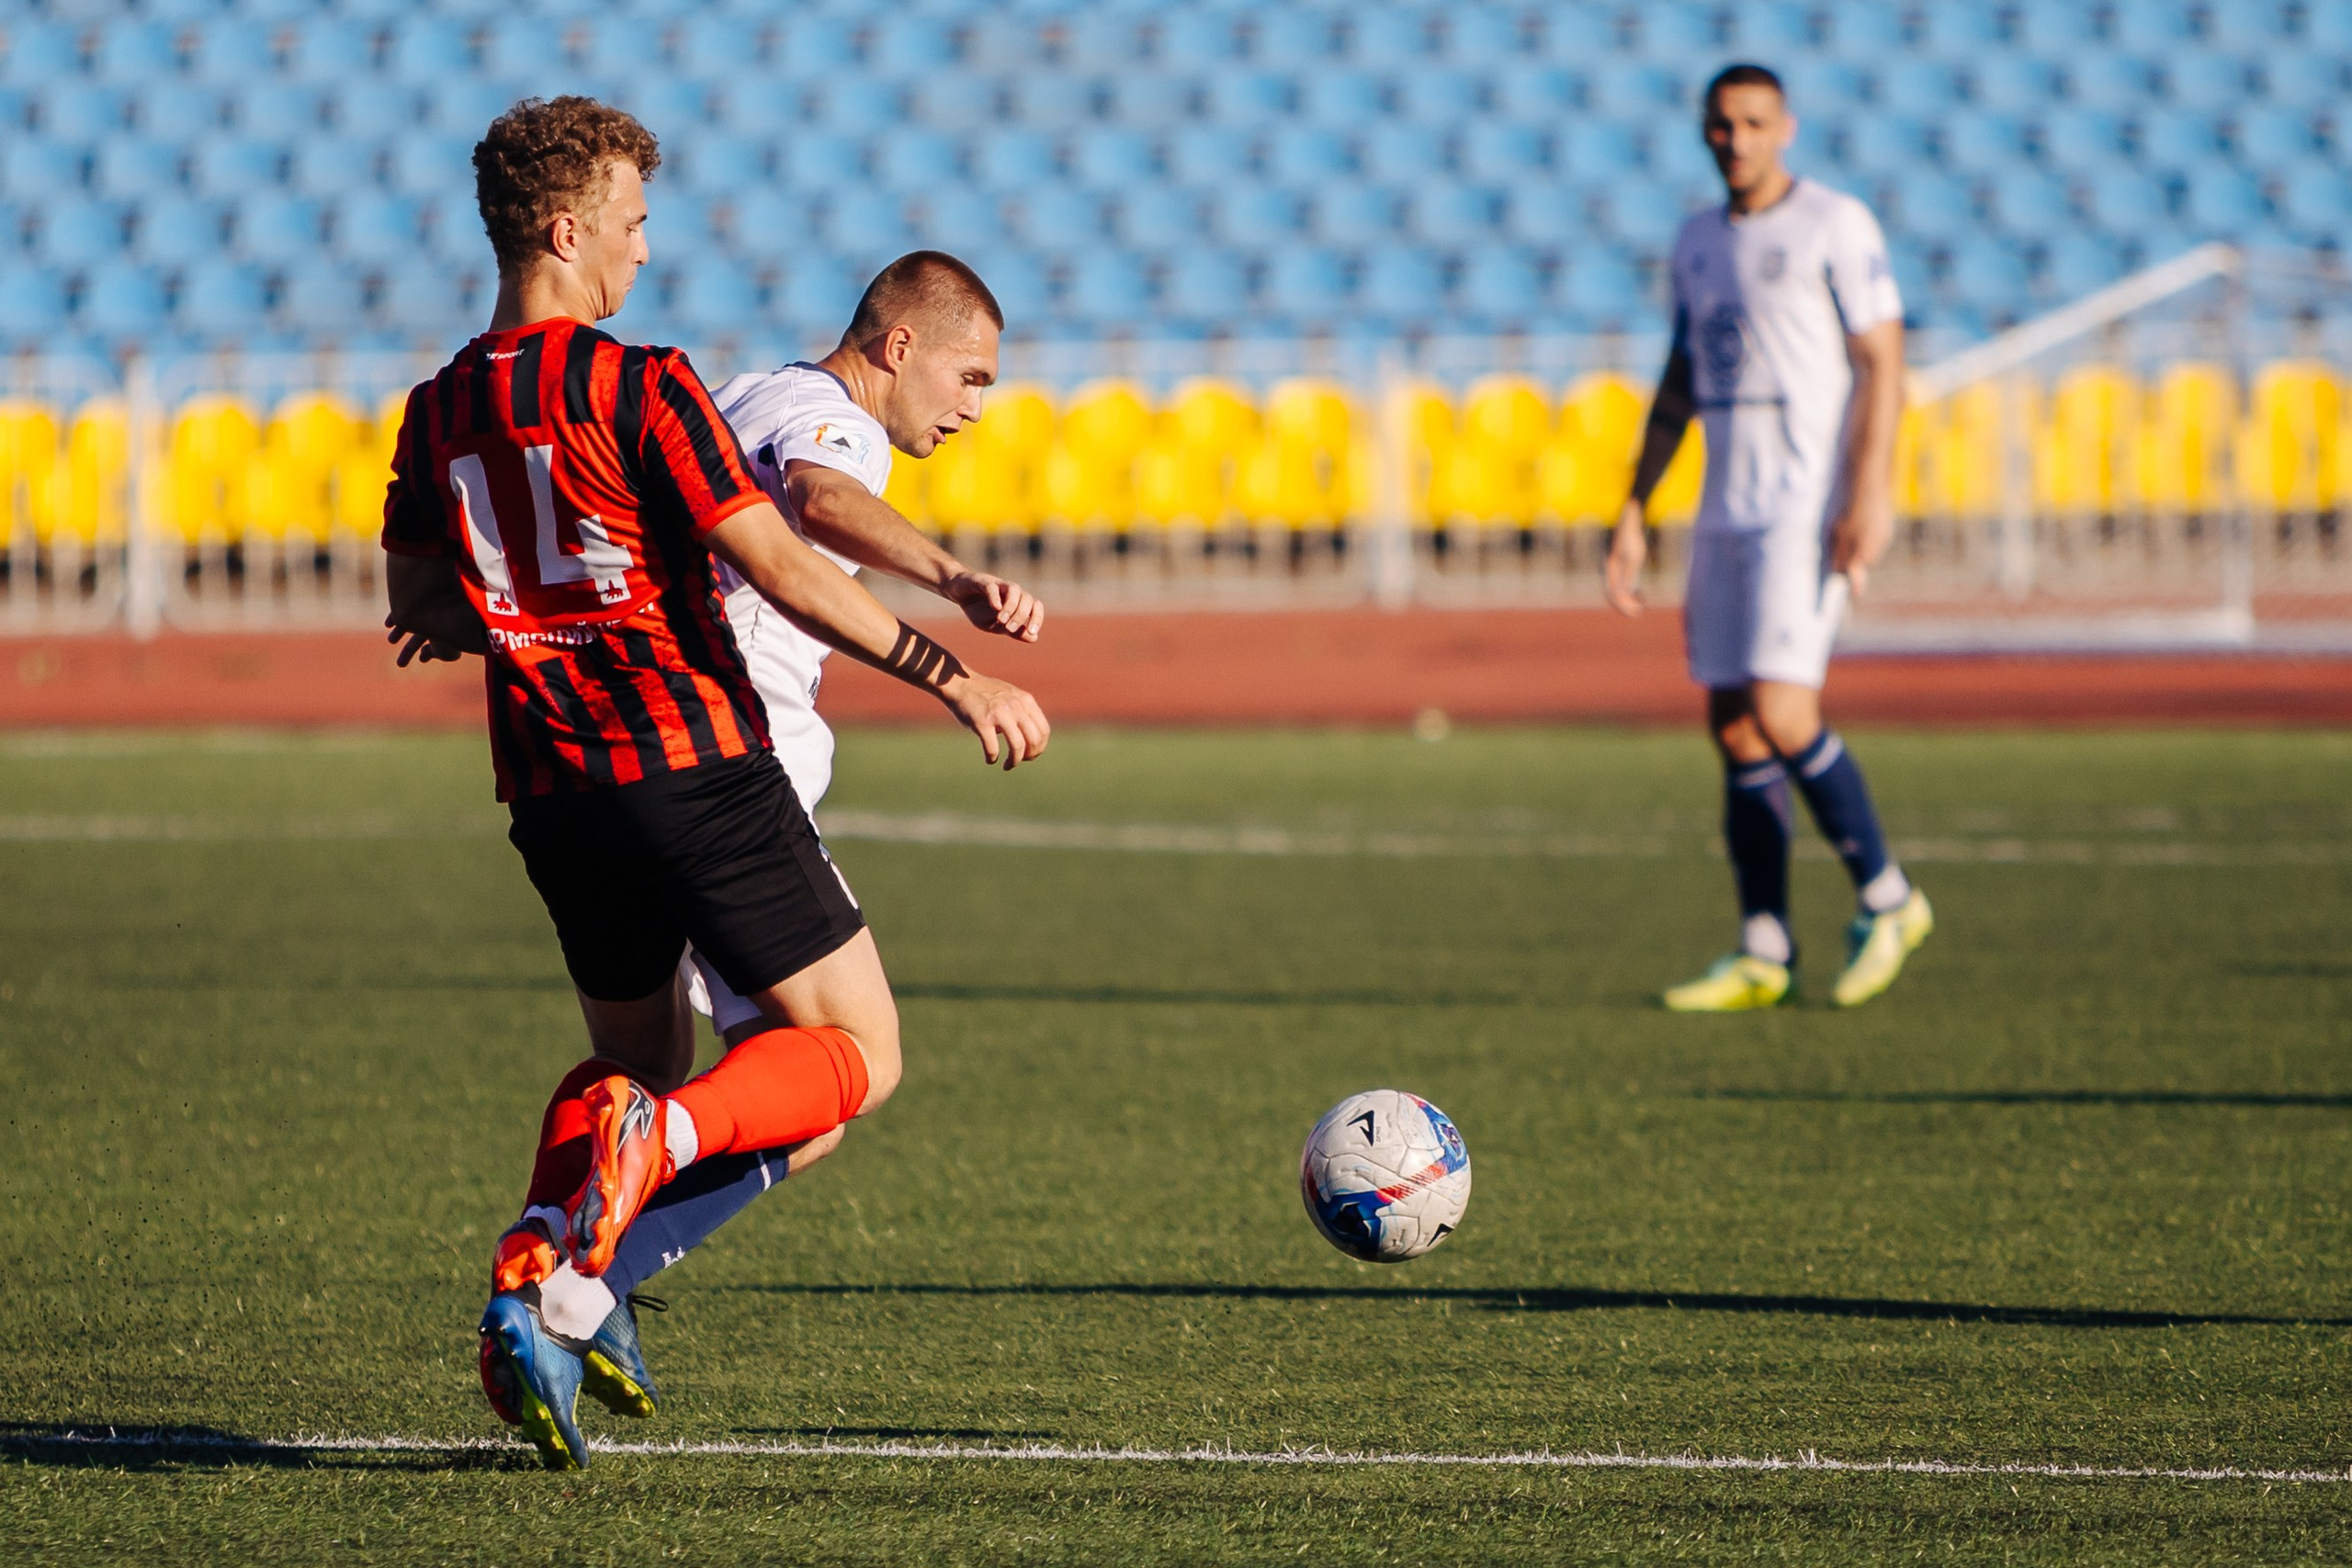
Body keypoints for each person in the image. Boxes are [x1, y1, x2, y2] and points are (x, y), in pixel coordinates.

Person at [380, 96, 1050, 1470]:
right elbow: (792, 559)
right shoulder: (644, 382)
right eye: (630, 222)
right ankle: (641, 1182)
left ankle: (546, 1268)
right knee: (854, 1056)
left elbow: (423, 604)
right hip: (692, 760)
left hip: (550, 788)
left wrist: (513, 608)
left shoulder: (437, 405)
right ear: (566, 231)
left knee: (626, 1058)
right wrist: (951, 670)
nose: (643, 247)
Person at [1604, 63, 1933, 1011]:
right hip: (1725, 506)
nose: (1735, 139)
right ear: (1703, 132)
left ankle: (1889, 898)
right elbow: (1679, 373)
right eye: (1720, 124)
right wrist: (1634, 503)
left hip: (1805, 506)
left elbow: (1883, 360)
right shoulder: (1696, 241)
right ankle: (1763, 949)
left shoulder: (1835, 223)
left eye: (1752, 122)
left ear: (1784, 126)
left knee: (1785, 711)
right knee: (1734, 722)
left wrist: (1865, 492)